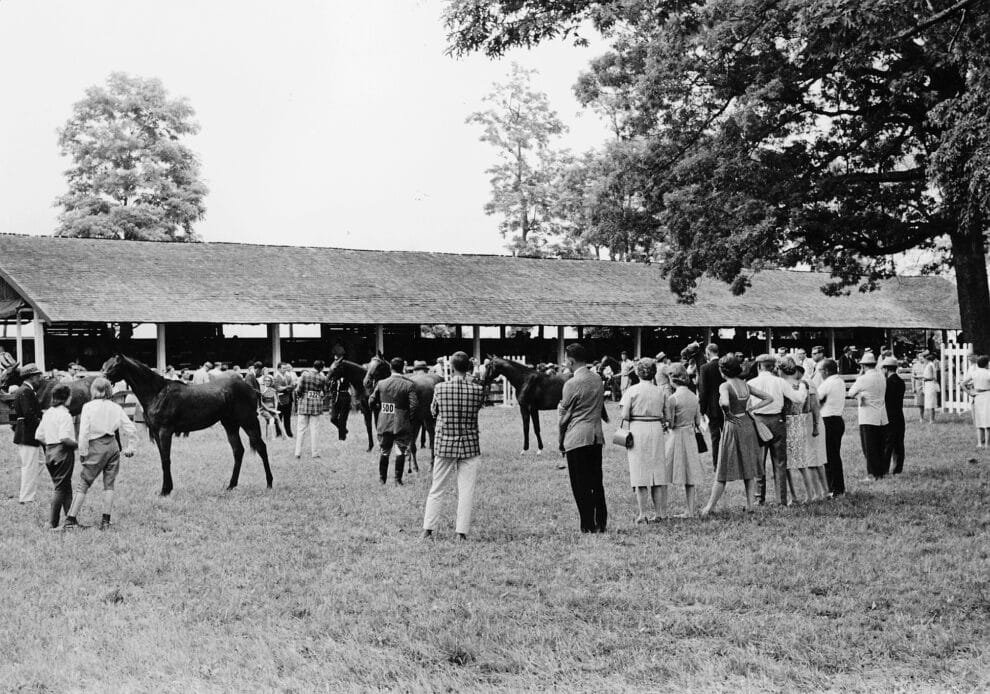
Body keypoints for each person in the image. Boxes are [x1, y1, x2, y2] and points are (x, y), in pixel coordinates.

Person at [421, 351, 486, 540]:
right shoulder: (477, 389)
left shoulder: (440, 388)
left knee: (437, 488)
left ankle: (428, 529)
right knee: (466, 490)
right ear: (469, 367)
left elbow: (433, 412)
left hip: (445, 442)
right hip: (469, 443)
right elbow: (477, 408)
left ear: (451, 366)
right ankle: (461, 533)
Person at [700, 355, 773, 517]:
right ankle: (750, 505)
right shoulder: (745, 385)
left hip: (733, 425)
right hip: (747, 423)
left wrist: (727, 412)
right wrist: (751, 409)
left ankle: (709, 507)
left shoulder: (725, 386)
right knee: (748, 466)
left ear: (722, 370)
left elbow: (725, 402)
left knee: (723, 467)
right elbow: (769, 398)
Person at [64, 377, 137, 530]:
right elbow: (130, 428)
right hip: (112, 445)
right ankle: (105, 521)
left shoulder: (88, 407)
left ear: (93, 390)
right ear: (109, 391)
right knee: (109, 484)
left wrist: (83, 451)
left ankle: (70, 519)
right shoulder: (116, 407)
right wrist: (131, 446)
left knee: (84, 482)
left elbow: (83, 432)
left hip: (95, 445)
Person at [558, 343, 608, 533]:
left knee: (580, 484)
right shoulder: (597, 379)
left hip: (577, 438)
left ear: (570, 361)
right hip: (596, 436)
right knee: (596, 481)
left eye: (565, 360)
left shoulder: (571, 384)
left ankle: (587, 524)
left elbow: (563, 418)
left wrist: (560, 440)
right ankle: (601, 521)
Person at [748, 354, 807, 505]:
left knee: (758, 461)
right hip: (777, 421)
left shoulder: (751, 382)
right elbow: (798, 399)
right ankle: (781, 499)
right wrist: (802, 386)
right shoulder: (780, 382)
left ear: (759, 366)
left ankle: (758, 498)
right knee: (780, 462)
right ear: (773, 367)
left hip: (758, 421)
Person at [618, 358, 668, 523]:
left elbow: (624, 415)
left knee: (640, 473)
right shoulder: (660, 391)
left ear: (638, 373)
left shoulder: (632, 391)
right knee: (657, 473)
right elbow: (667, 415)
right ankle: (659, 513)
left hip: (638, 428)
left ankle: (642, 513)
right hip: (656, 429)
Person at [663, 363, 705, 516]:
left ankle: (662, 510)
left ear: (672, 379)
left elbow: (671, 423)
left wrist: (665, 423)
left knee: (666, 471)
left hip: (676, 436)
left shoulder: (673, 398)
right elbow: (698, 421)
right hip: (690, 435)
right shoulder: (694, 397)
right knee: (690, 474)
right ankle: (691, 509)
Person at [369, 357, 418, 486]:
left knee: (384, 450)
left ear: (390, 367)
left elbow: (371, 401)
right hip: (402, 422)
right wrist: (408, 418)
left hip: (384, 420)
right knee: (400, 450)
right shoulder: (409, 384)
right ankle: (398, 480)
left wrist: (379, 410)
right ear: (403, 368)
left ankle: (382, 479)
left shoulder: (381, 383)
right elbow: (414, 405)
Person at [35, 384, 77, 528]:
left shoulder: (48, 413)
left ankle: (70, 519)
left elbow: (39, 435)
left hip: (50, 452)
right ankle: (52, 522)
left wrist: (51, 444)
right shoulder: (65, 415)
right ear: (67, 398)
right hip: (63, 452)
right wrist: (77, 445)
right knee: (60, 488)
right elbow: (65, 437)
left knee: (65, 486)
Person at [783, 364, 825, 502]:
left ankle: (795, 496)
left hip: (787, 422)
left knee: (788, 464)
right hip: (799, 421)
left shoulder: (784, 385)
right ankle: (809, 494)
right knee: (802, 463)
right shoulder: (803, 384)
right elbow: (808, 406)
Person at [848, 352, 889, 481]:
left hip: (868, 416)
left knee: (869, 447)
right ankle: (881, 471)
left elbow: (851, 392)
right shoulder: (881, 377)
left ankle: (872, 473)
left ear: (864, 366)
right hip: (881, 415)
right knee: (880, 445)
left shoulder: (863, 379)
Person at [11, 363, 45, 504]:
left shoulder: (25, 390)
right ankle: (26, 498)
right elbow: (28, 414)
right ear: (31, 378)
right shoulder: (26, 391)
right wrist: (43, 425)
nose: (40, 380)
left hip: (28, 433)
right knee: (30, 466)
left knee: (40, 462)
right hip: (28, 433)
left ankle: (28, 489)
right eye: (38, 377)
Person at [816, 358, 846, 496]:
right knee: (834, 455)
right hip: (837, 419)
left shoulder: (827, 383)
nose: (819, 373)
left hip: (828, 420)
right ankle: (838, 487)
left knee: (829, 456)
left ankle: (834, 488)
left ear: (826, 371)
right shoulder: (839, 381)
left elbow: (817, 400)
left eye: (820, 370)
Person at [697, 343, 724, 469]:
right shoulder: (724, 365)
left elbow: (703, 391)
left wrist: (702, 410)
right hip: (726, 406)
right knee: (728, 436)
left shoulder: (704, 368)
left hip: (712, 408)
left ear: (708, 353)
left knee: (715, 438)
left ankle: (716, 465)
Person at [294, 360, 327, 459]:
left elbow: (299, 390)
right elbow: (325, 391)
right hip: (316, 404)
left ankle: (298, 452)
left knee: (301, 429)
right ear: (321, 368)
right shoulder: (322, 377)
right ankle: (315, 453)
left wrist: (301, 396)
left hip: (304, 403)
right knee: (315, 429)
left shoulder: (304, 375)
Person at [881, 356, 906, 474]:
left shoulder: (886, 383)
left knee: (887, 444)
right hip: (899, 415)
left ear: (886, 369)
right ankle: (897, 468)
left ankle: (884, 468)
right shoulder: (901, 382)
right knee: (899, 444)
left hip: (888, 415)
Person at [963, 355, 990, 449]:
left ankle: (979, 443)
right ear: (987, 364)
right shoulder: (988, 373)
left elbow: (962, 384)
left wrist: (969, 393)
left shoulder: (975, 373)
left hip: (977, 395)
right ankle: (987, 443)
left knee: (979, 420)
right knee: (987, 420)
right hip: (987, 395)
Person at [274, 362, 297, 437]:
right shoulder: (276, 377)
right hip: (280, 399)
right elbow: (278, 388)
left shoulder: (288, 376)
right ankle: (279, 433)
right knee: (279, 417)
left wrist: (286, 388)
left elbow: (292, 386)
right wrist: (287, 387)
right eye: (283, 368)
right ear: (279, 369)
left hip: (288, 398)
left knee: (287, 417)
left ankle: (288, 432)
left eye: (285, 368)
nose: (285, 369)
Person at [921, 351, 939, 424]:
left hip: (930, 384)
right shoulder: (929, 365)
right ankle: (931, 419)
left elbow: (932, 377)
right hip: (928, 385)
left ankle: (932, 419)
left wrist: (925, 378)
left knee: (931, 403)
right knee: (929, 402)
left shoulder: (930, 365)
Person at [910, 353, 926, 419]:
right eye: (920, 356)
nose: (921, 357)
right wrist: (913, 387)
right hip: (918, 383)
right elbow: (912, 377)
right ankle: (921, 416)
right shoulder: (915, 365)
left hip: (925, 382)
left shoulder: (926, 365)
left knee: (925, 400)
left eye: (922, 356)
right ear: (918, 357)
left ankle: (925, 415)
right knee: (919, 401)